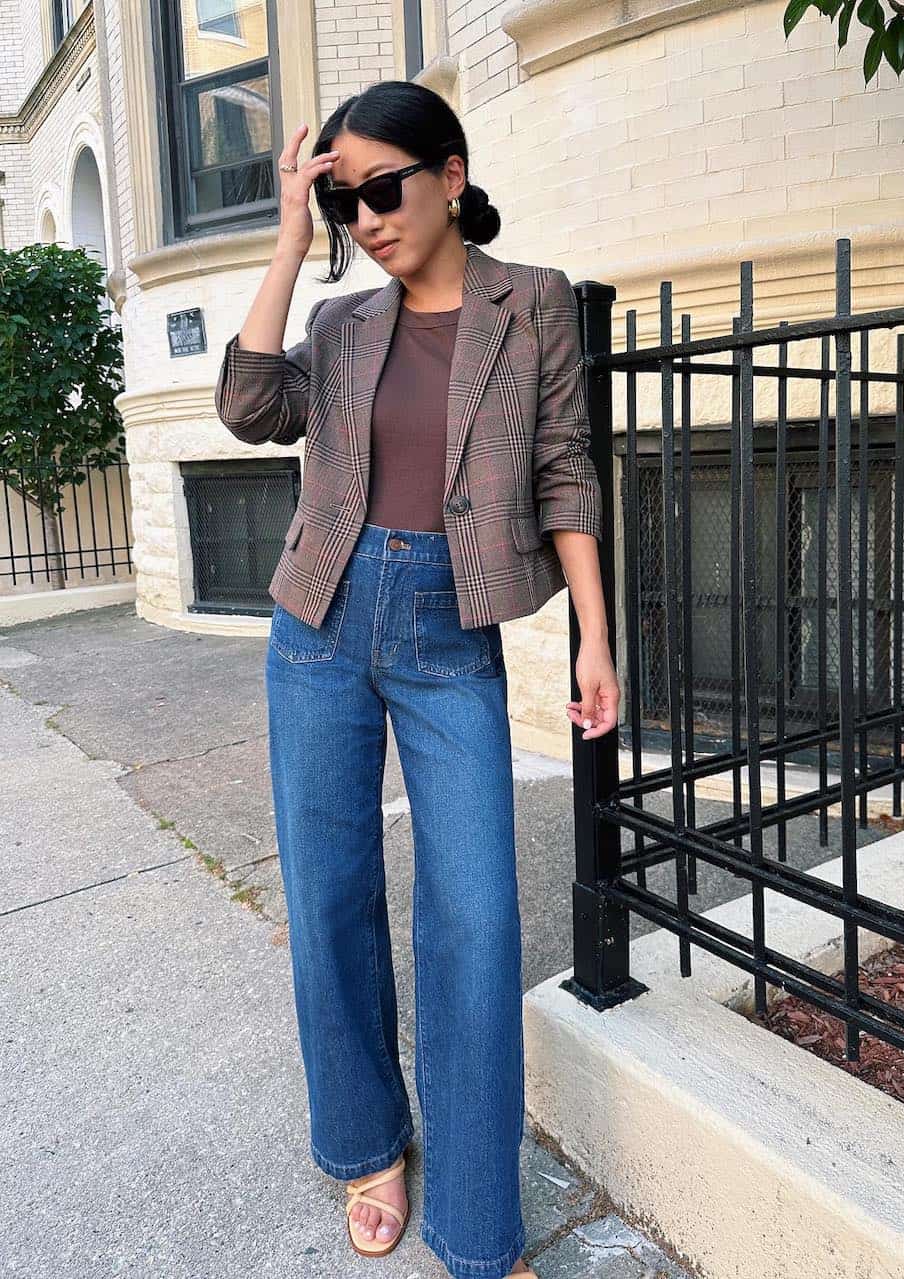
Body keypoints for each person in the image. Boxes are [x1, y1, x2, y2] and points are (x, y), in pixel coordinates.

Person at [214, 79, 620, 1279]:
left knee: (476, 919)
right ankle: (367, 1145)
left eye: (381, 189)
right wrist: (292, 245)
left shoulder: (531, 303)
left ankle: (478, 1227)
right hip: (320, 625)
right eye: (345, 200)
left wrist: (597, 638)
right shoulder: (342, 322)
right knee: (331, 898)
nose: (366, 218)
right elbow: (247, 406)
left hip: (452, 632)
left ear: (449, 174)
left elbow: (565, 471)